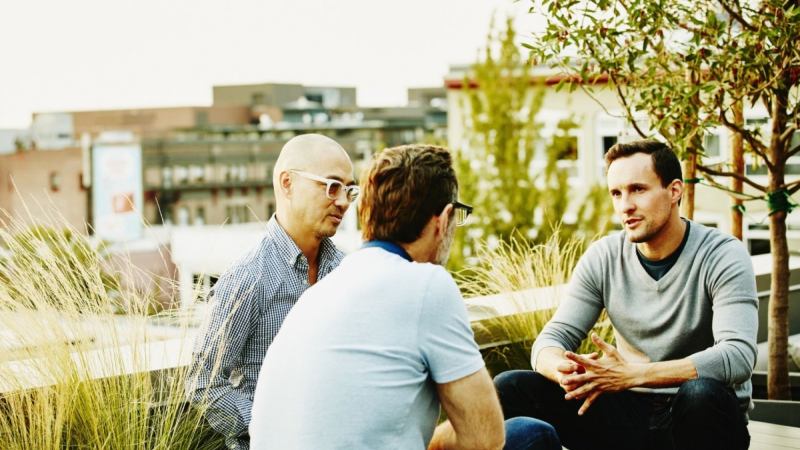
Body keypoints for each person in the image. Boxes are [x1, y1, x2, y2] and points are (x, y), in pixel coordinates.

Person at [249, 144, 561, 450]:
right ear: (444, 219)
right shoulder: (426, 284)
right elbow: (484, 436)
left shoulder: (320, 292)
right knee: (530, 434)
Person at [494, 140, 758, 450]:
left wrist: (633, 375)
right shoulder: (604, 256)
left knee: (699, 393)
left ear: (674, 191)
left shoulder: (723, 254)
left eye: (638, 190)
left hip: (698, 417)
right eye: (616, 193)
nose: (625, 206)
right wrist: (566, 371)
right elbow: (551, 340)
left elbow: (737, 356)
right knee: (510, 386)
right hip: (629, 415)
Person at [185, 133, 359, 450]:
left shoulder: (347, 271)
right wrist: (273, 427)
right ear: (287, 183)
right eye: (332, 186)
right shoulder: (248, 277)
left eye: (350, 190)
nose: (344, 202)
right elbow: (203, 382)